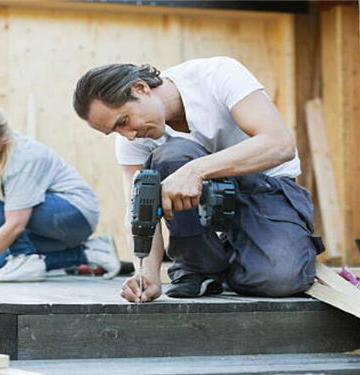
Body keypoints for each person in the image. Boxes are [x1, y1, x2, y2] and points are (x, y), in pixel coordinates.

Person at [73, 56, 324, 303]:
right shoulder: (135, 138)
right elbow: (139, 210)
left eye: (124, 121)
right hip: (198, 205)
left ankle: (236, 259)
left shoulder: (217, 75)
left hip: (265, 186)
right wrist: (146, 274)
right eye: (115, 131)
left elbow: (279, 145)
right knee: (171, 157)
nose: (128, 136)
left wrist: (195, 171)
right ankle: (199, 266)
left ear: (141, 88)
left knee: (279, 279)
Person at [0, 105, 120, 282]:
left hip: (73, 215)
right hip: (50, 222)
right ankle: (90, 253)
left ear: (2, 139)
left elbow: (15, 225)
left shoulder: (22, 159)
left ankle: (25, 257)